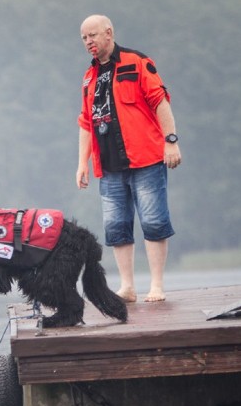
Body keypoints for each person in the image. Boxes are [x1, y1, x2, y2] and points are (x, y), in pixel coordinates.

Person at [76, 15, 182, 303]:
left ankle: (156, 286)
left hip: (146, 159)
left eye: (93, 35)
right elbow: (86, 123)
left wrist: (170, 142)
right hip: (109, 166)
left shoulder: (136, 62)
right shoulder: (89, 77)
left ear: (108, 33)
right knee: (116, 227)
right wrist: (81, 163)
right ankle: (127, 287)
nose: (89, 42)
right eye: (84, 38)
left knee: (154, 222)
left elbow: (160, 100)